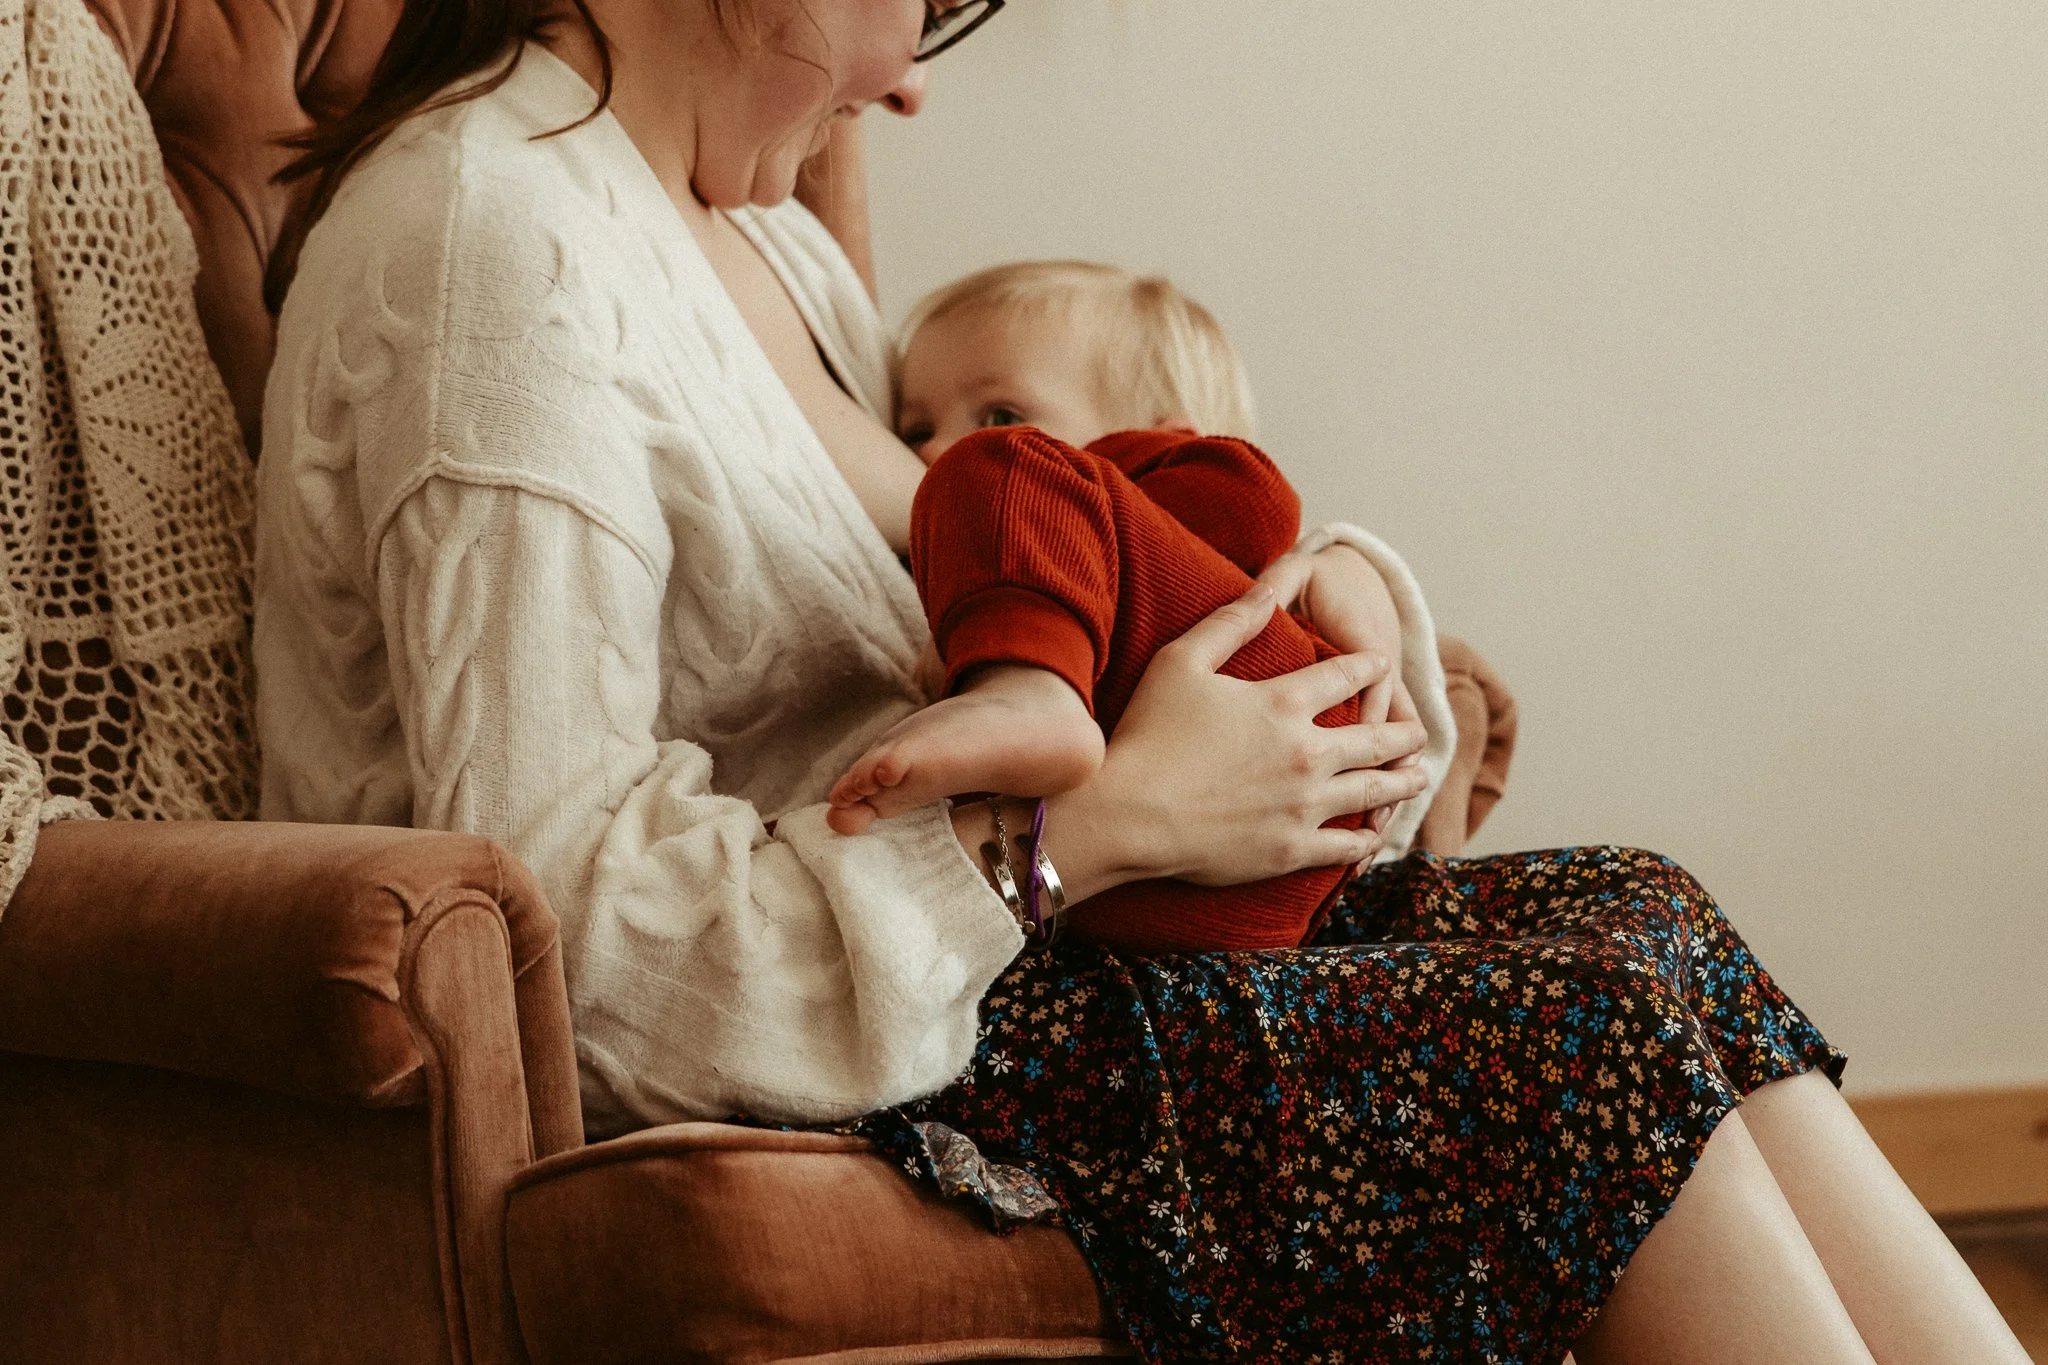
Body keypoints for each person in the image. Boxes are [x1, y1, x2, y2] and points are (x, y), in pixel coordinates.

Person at [249, 1, 2029, 1362]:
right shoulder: (500, 247)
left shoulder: (749, 237)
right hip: (836, 1040)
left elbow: (1021, 556)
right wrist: (1095, 831)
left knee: (1644, 916)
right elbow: (560, 942)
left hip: (998, 973)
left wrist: (1316, 604)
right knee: (1578, 1042)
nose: (911, 81)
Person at [829, 260, 1389, 955]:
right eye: (914, 429)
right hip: (1168, 907)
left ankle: (1028, 696)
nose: (932, 450)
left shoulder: (1183, 479)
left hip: (1283, 763)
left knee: (993, 470)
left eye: (1001, 415)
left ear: (1166, 439)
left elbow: (1258, 500)